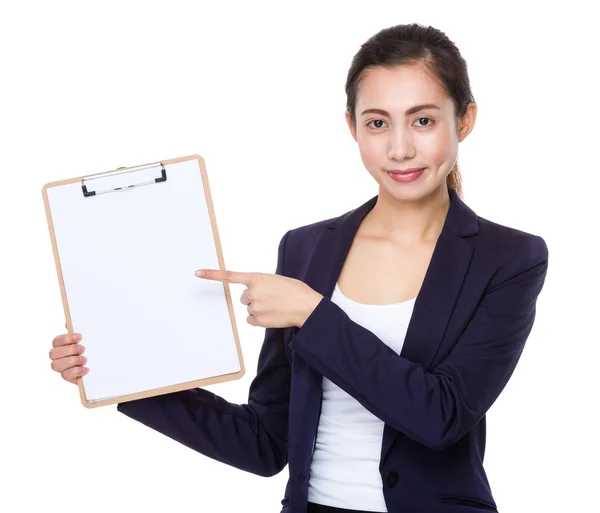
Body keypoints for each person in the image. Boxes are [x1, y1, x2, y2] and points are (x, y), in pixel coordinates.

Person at [48, 23, 549, 513]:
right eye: (377, 122)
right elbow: (266, 442)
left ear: (464, 120)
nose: (399, 148)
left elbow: (440, 417)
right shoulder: (306, 250)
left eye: (423, 120)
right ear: (352, 126)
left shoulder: (508, 259)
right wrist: (120, 375)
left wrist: (315, 315)